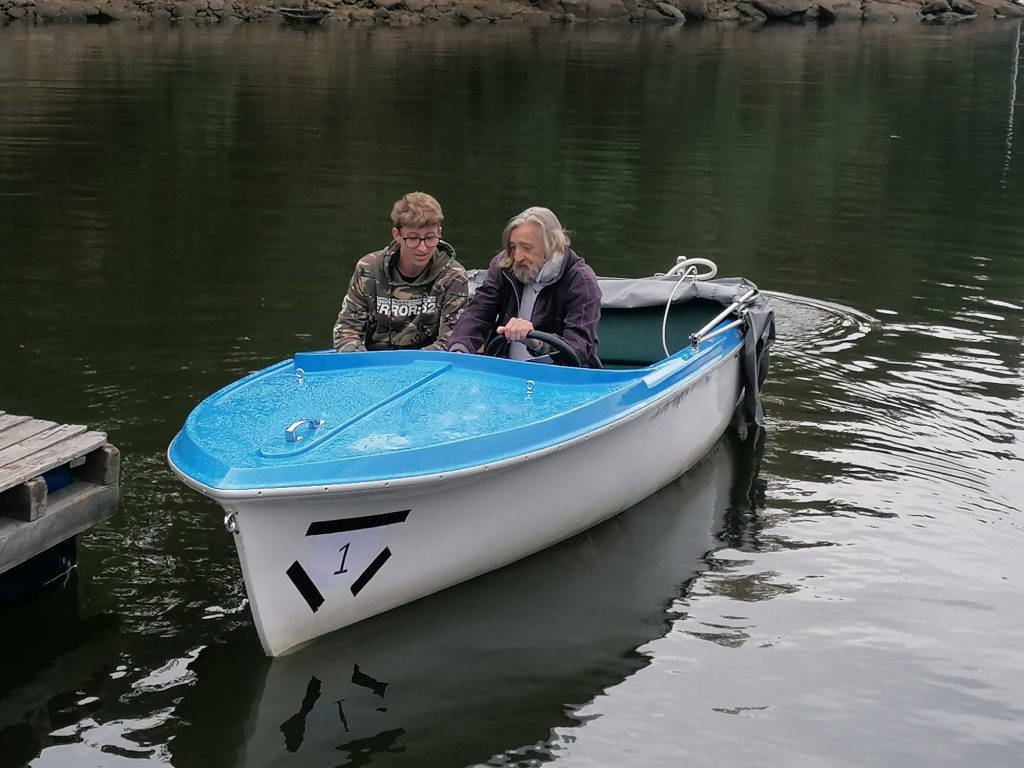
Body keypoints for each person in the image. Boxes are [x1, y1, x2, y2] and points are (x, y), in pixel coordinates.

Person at [447, 206, 601, 367]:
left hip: (560, 379)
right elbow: (478, 313)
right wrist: (459, 349)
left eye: (526, 248)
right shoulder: (503, 266)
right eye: (513, 247)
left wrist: (536, 341)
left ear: (551, 246)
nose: (517, 257)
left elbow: (579, 349)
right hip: (505, 372)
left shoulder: (581, 280)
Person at [332, 192, 468, 352]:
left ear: (439, 232)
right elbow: (347, 330)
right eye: (413, 238)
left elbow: (450, 340)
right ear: (397, 235)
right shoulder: (368, 268)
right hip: (372, 360)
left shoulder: (454, 277)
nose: (422, 248)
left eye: (430, 238)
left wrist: (406, 369)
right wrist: (362, 361)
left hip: (427, 364)